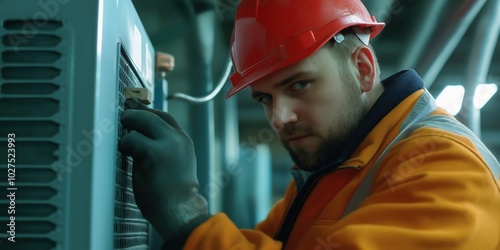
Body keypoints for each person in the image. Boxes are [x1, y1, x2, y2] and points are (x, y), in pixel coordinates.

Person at [119, 0, 500, 249]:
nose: (279, 118)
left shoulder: (446, 168)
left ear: (362, 69)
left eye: (299, 84)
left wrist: (187, 216)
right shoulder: (333, 167)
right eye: (265, 98)